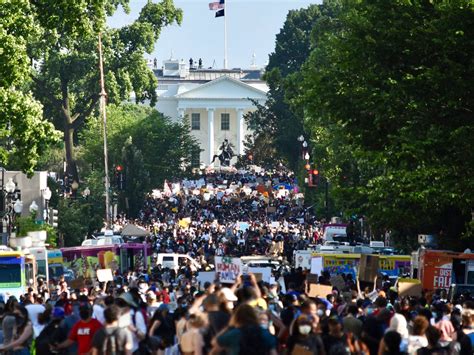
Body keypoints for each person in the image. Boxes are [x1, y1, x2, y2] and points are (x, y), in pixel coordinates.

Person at [212, 304, 277, 355]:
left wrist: (229, 326)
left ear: (236, 318)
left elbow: (215, 345)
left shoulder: (233, 334)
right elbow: (273, 352)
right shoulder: (264, 333)